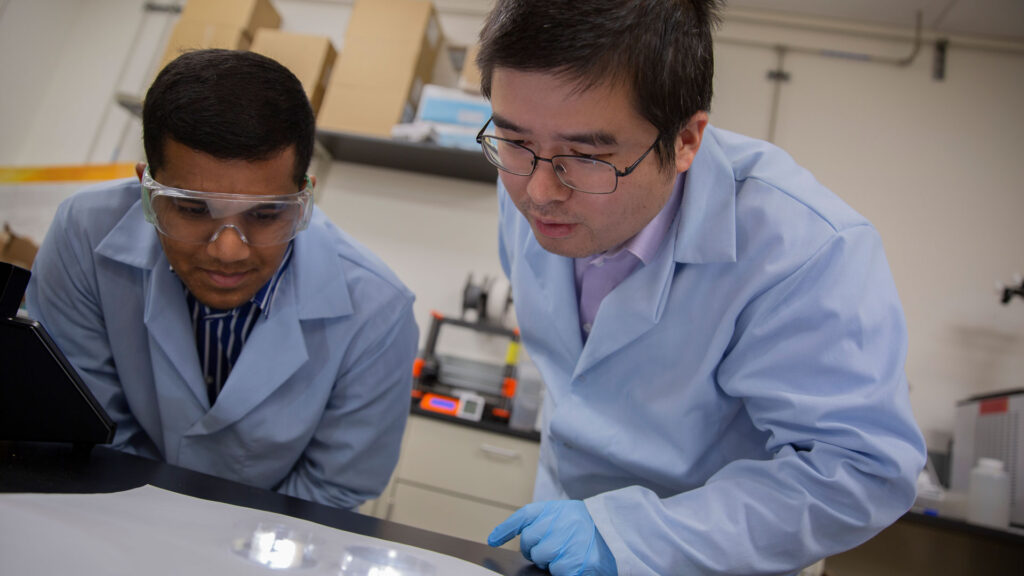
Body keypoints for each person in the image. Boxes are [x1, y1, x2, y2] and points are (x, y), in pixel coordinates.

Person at [474, 1, 926, 574]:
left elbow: (861, 468)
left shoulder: (807, 249)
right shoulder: (531, 185)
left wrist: (635, 539)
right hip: (563, 533)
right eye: (514, 140)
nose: (538, 191)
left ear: (685, 140)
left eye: (585, 156)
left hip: (714, 556)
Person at [26, 49, 419, 510]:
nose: (228, 250)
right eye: (193, 209)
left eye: (266, 214)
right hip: (104, 515)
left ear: (303, 198)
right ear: (146, 190)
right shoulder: (83, 234)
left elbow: (335, 487)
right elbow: (81, 425)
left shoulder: (378, 310)